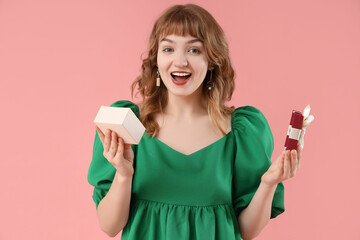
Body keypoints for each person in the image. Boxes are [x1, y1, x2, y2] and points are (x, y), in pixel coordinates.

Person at [88, 4, 302, 240]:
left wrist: (268, 183)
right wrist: (123, 174)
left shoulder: (241, 131)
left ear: (211, 60)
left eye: (194, 50)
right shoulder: (129, 124)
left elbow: (247, 231)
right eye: (168, 48)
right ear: (156, 60)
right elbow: (109, 226)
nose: (179, 62)